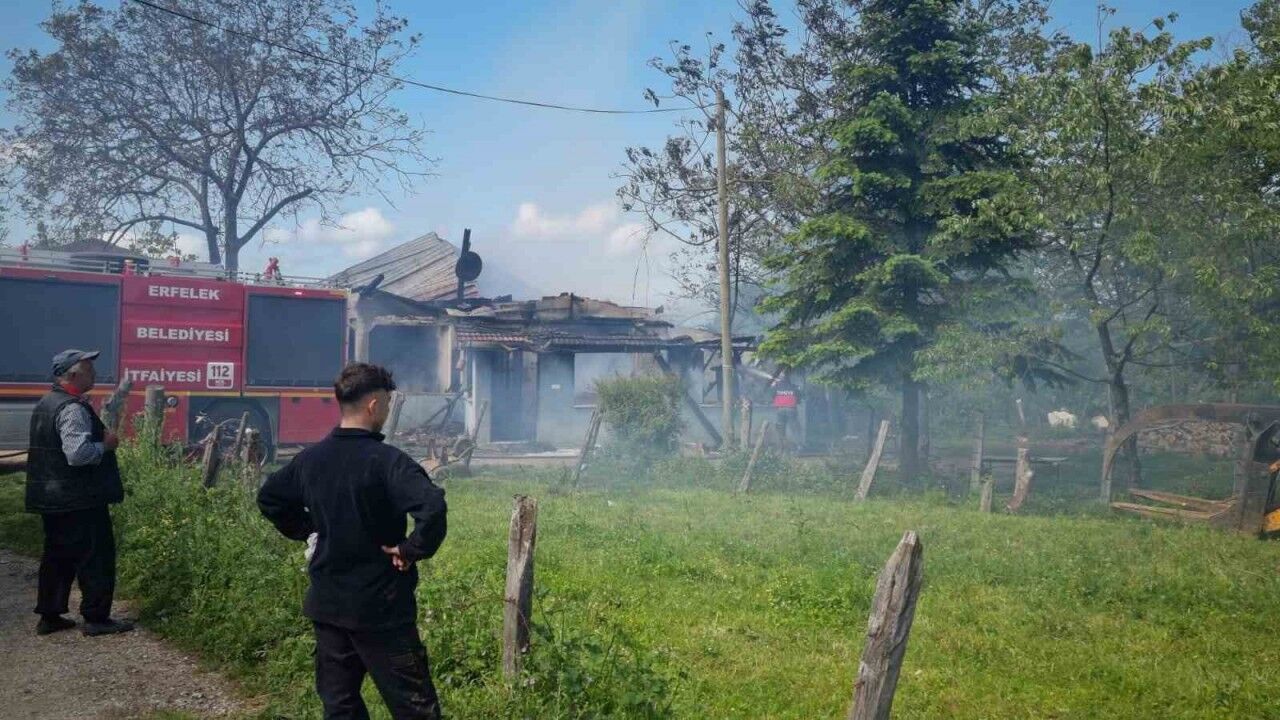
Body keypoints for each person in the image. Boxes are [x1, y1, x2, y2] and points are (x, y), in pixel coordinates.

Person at [258, 363, 447, 720]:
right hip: (382, 609)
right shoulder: (389, 462)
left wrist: (309, 529)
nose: (387, 411)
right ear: (374, 405)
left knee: (340, 706)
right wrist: (410, 549)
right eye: (387, 403)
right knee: (415, 708)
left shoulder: (310, 460)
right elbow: (432, 506)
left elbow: (270, 498)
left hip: (328, 606)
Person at [26, 349, 134, 636]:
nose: (94, 374)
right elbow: (78, 454)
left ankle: (49, 616)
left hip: (52, 497)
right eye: (89, 369)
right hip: (79, 499)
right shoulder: (72, 409)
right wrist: (106, 445)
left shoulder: (46, 402)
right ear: (73, 375)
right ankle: (97, 618)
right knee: (96, 557)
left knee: (57, 557)